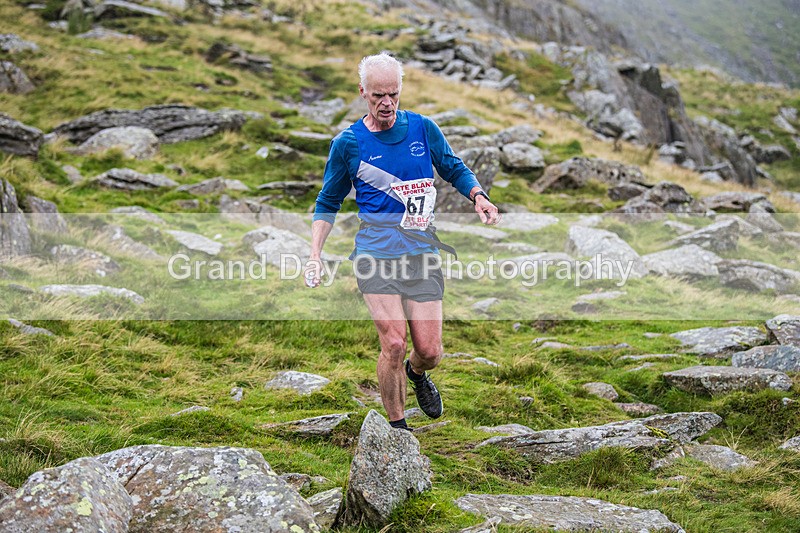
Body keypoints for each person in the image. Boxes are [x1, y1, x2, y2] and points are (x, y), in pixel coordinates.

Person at [303, 52, 500, 431]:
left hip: (421, 252)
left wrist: (478, 196)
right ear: (362, 92)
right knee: (393, 343)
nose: (386, 103)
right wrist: (315, 254)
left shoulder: (423, 129)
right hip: (374, 255)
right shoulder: (348, 144)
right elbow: (327, 201)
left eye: (393, 94)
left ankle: (417, 373)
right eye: (377, 95)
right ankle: (397, 431)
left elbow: (452, 167)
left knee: (430, 351)